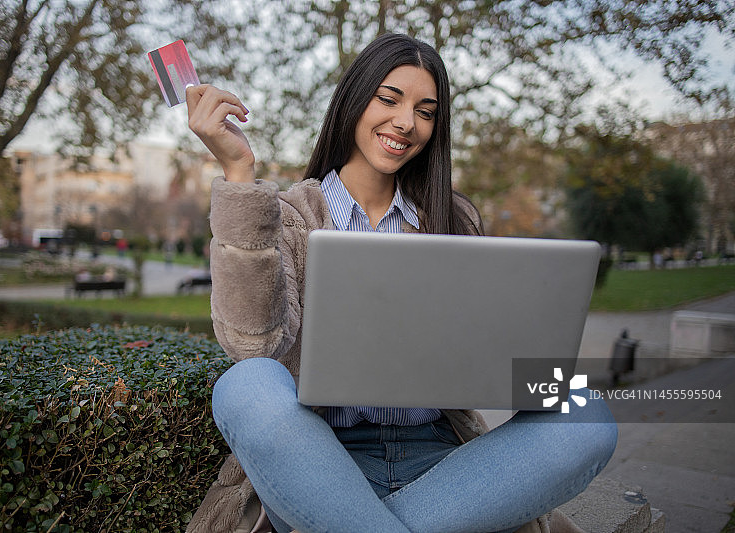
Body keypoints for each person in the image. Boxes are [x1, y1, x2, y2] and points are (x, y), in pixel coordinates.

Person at [184, 33, 617, 533]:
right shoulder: (283, 218)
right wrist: (238, 173)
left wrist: (529, 367)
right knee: (247, 383)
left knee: (583, 410)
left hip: (448, 470)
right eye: (388, 99)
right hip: (317, 466)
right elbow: (252, 343)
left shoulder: (454, 219)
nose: (406, 123)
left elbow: (484, 358)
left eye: (426, 111)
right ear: (353, 101)